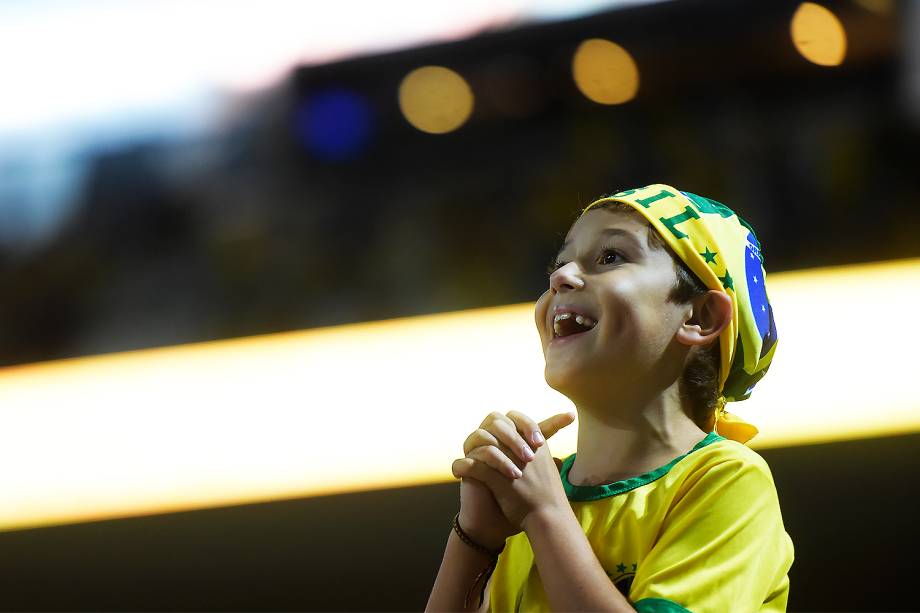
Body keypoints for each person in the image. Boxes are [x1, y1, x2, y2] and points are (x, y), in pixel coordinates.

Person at [425, 183, 793, 612]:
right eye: (559, 264)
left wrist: (544, 515)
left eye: (610, 257)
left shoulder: (727, 479)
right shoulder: (525, 501)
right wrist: (474, 536)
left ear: (700, 316)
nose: (560, 278)